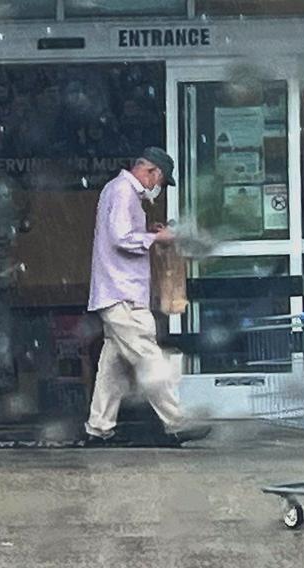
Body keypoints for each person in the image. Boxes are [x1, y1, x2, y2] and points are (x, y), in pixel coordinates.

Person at [84, 147, 211, 446]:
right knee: (150, 359)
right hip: (122, 293)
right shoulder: (123, 192)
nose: (158, 188)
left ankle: (98, 428)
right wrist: (157, 237)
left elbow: (122, 234)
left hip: (116, 292)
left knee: (113, 366)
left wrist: (149, 233)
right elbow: (120, 239)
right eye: (161, 181)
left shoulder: (116, 191)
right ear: (151, 171)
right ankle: (176, 423)